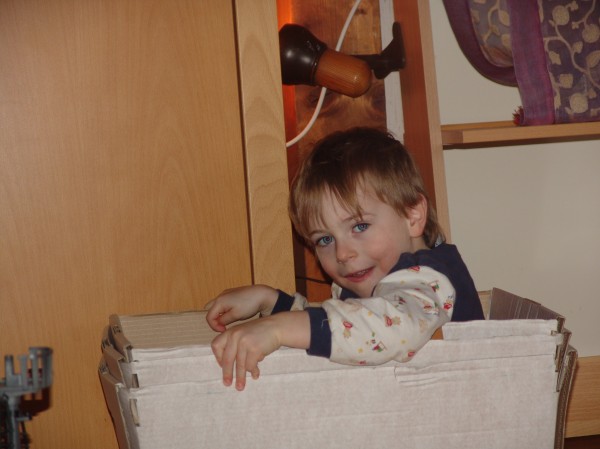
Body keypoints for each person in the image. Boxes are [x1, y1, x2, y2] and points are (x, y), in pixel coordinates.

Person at [206, 127, 484, 391]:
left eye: (360, 226)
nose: (342, 253)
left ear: (412, 216)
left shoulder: (430, 279)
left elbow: (386, 329)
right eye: (325, 240)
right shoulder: (373, 281)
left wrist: (277, 329)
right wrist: (271, 302)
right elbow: (346, 334)